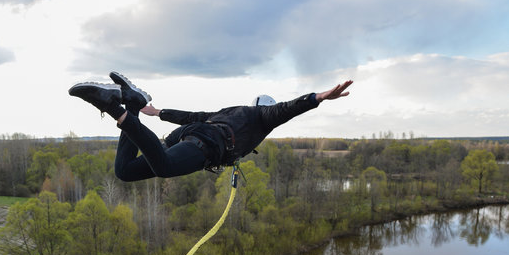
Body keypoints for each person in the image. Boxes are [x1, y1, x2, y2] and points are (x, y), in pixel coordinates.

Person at [69, 72, 352, 182]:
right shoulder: (262, 117)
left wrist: (158, 112)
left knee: (125, 172)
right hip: (204, 146)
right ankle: (111, 105)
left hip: (189, 137)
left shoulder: (231, 111)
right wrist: (318, 98)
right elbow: (287, 109)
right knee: (165, 168)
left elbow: (195, 116)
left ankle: (131, 106)